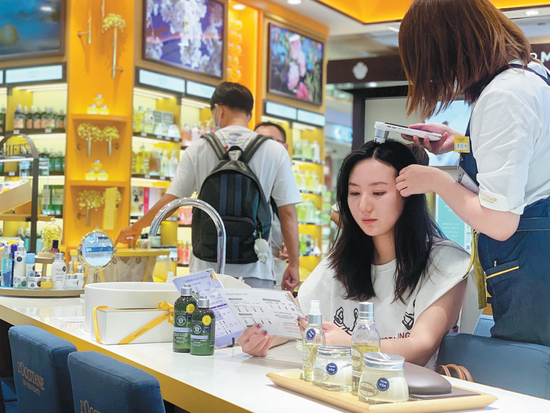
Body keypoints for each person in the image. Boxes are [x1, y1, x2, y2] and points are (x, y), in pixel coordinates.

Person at [238, 140, 480, 367]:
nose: (364, 205)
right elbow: (297, 321)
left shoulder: (445, 262)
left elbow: (421, 346)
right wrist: (262, 337)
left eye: (378, 193)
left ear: (408, 195)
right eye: (354, 193)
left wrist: (353, 344)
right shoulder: (340, 262)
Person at [396, 0, 550, 347]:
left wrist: (436, 181)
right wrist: (460, 143)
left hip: (533, 259)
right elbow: (528, 150)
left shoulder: (503, 96)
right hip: (534, 252)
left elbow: (498, 222)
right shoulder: (529, 75)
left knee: (530, 374)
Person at [116, 83, 302, 289]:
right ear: (249, 114)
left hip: (206, 267)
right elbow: (287, 213)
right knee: (253, 321)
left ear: (219, 110)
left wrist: (136, 227)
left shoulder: (198, 148)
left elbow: (172, 201)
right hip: (256, 266)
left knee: (204, 320)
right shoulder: (274, 151)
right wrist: (294, 263)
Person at [254, 122, 300, 291]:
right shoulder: (248, 176)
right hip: (251, 267)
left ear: (285, 147)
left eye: (271, 142)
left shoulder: (285, 175)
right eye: (259, 141)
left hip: (277, 268)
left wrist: (291, 247)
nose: (264, 148)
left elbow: (288, 215)